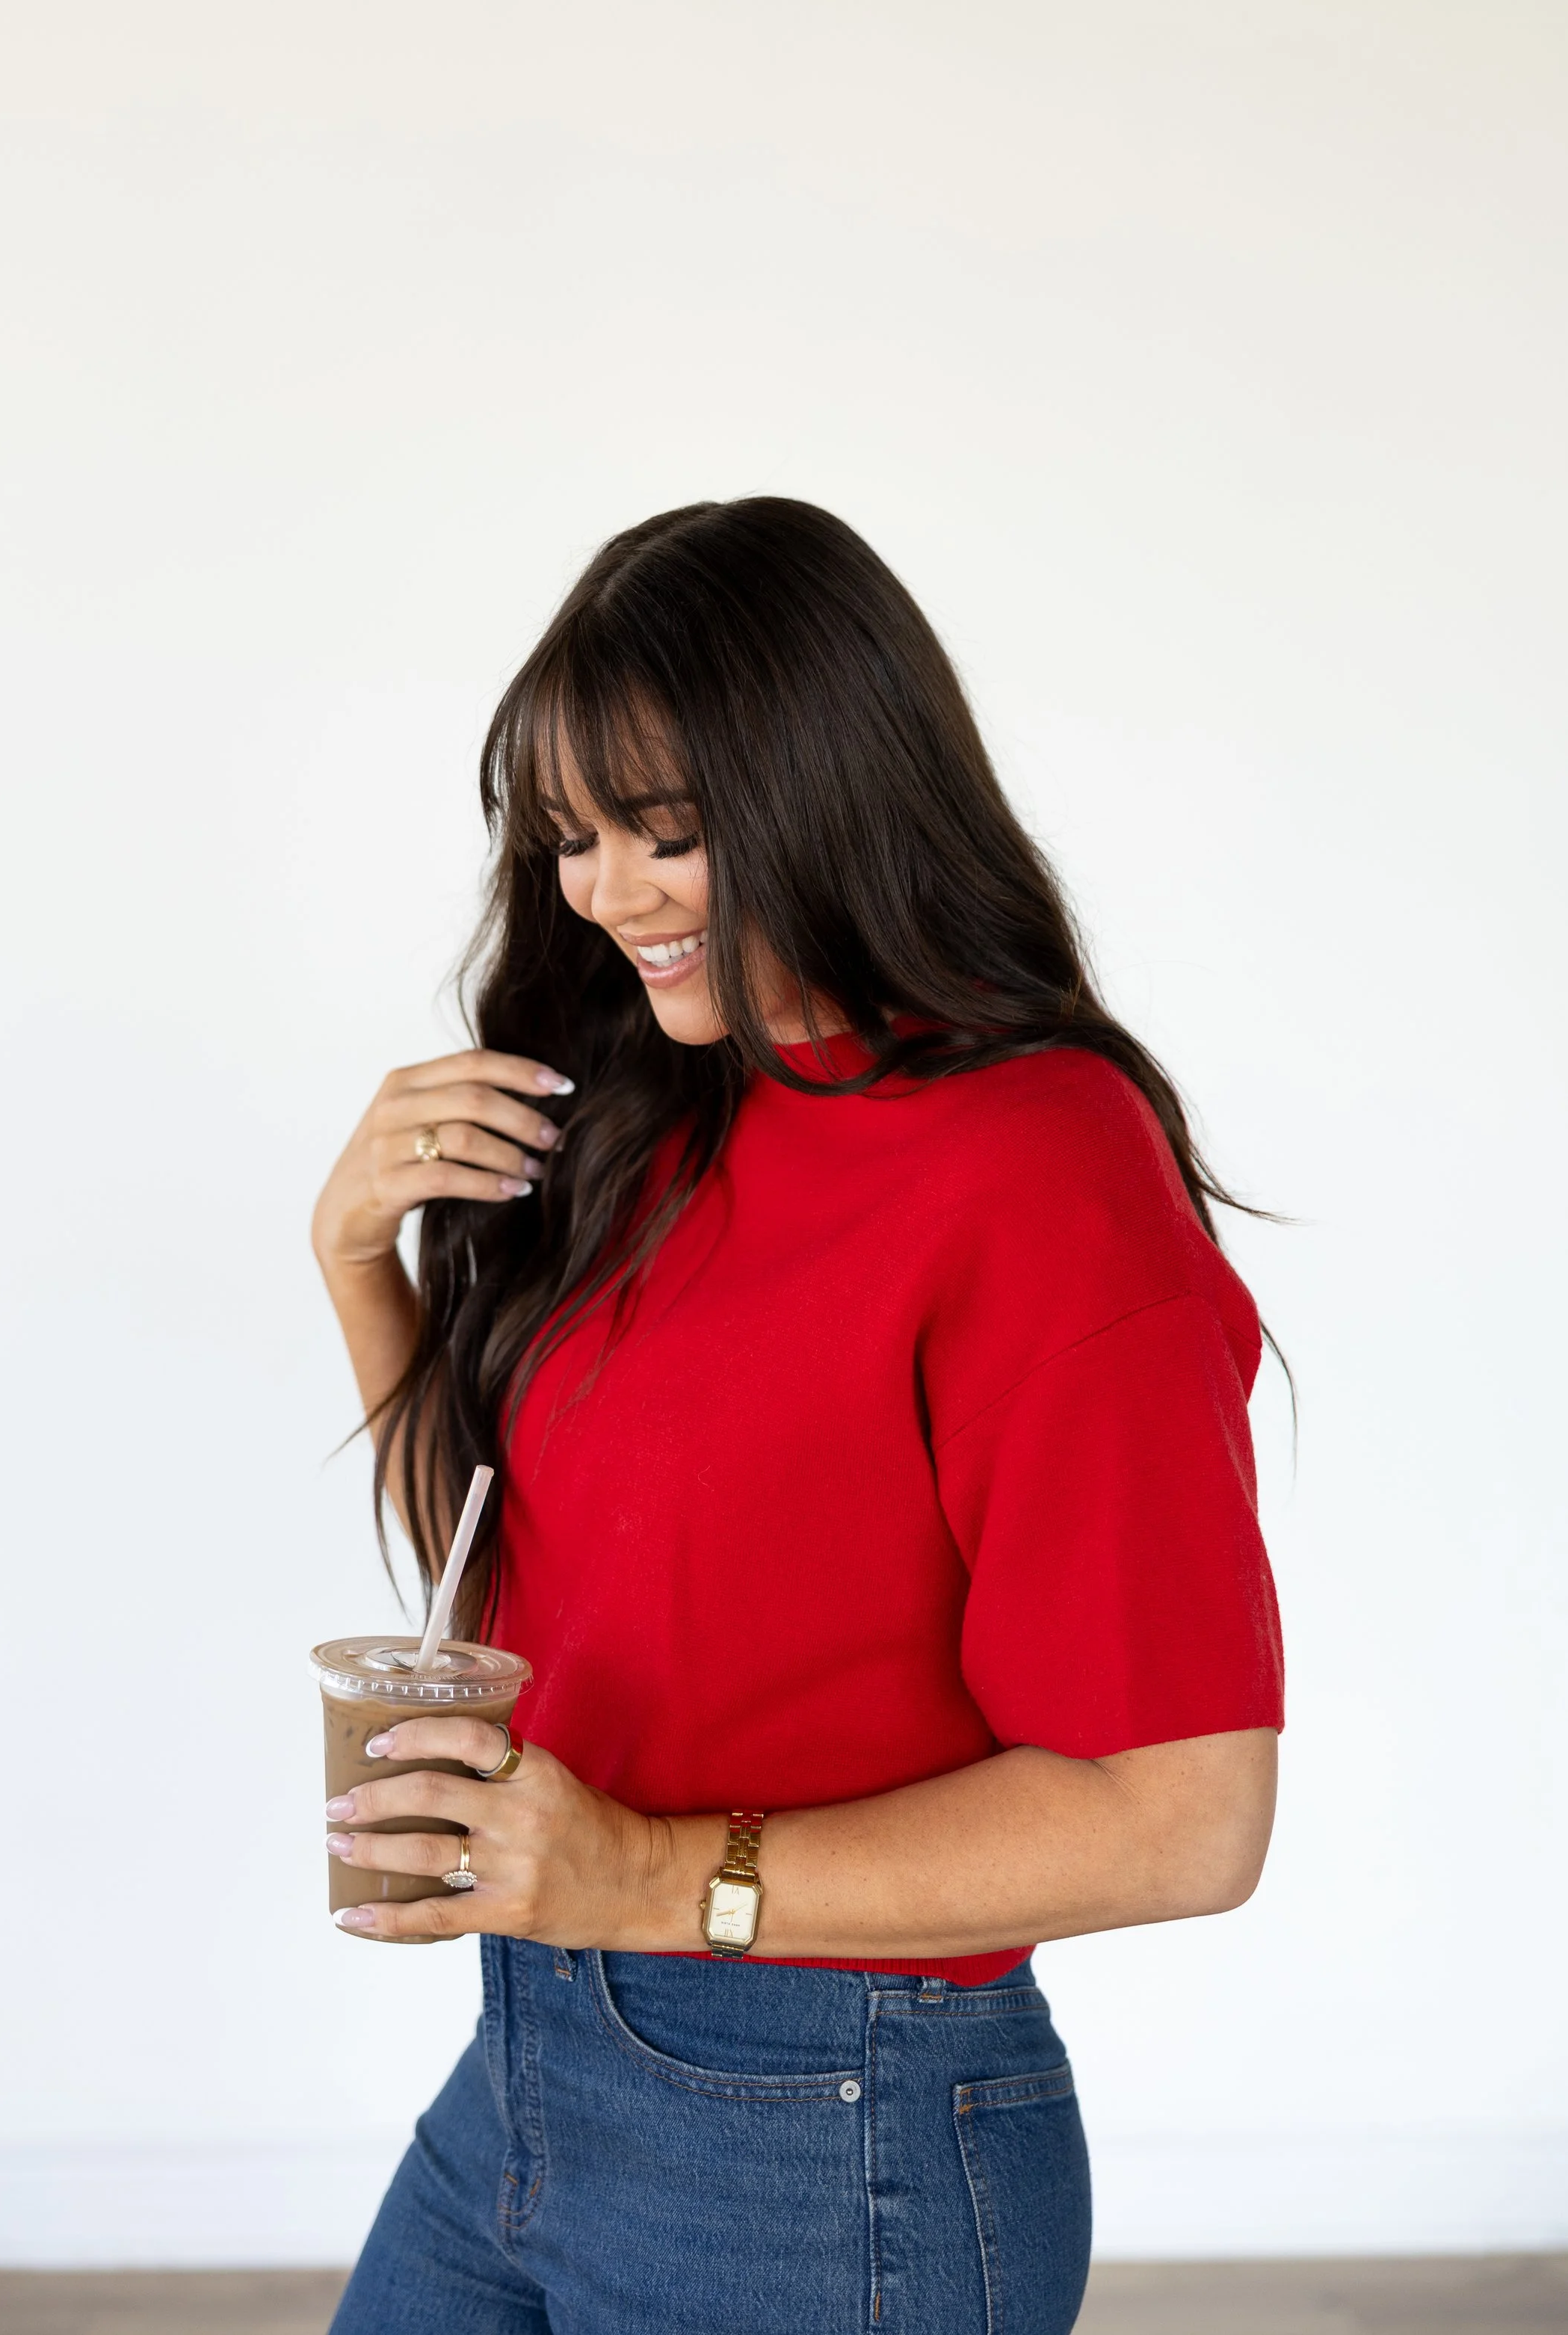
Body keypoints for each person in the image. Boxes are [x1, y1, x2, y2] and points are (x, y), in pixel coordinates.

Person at [309, 499, 1283, 2335]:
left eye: (664, 831)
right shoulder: (662, 1107)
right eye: (570, 838)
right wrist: (360, 1260)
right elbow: (515, 1567)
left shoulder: (1042, 1171)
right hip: (527, 2060)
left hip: (827, 2133)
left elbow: (1180, 1818)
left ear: (830, 784)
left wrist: (647, 1872)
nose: (604, 895)